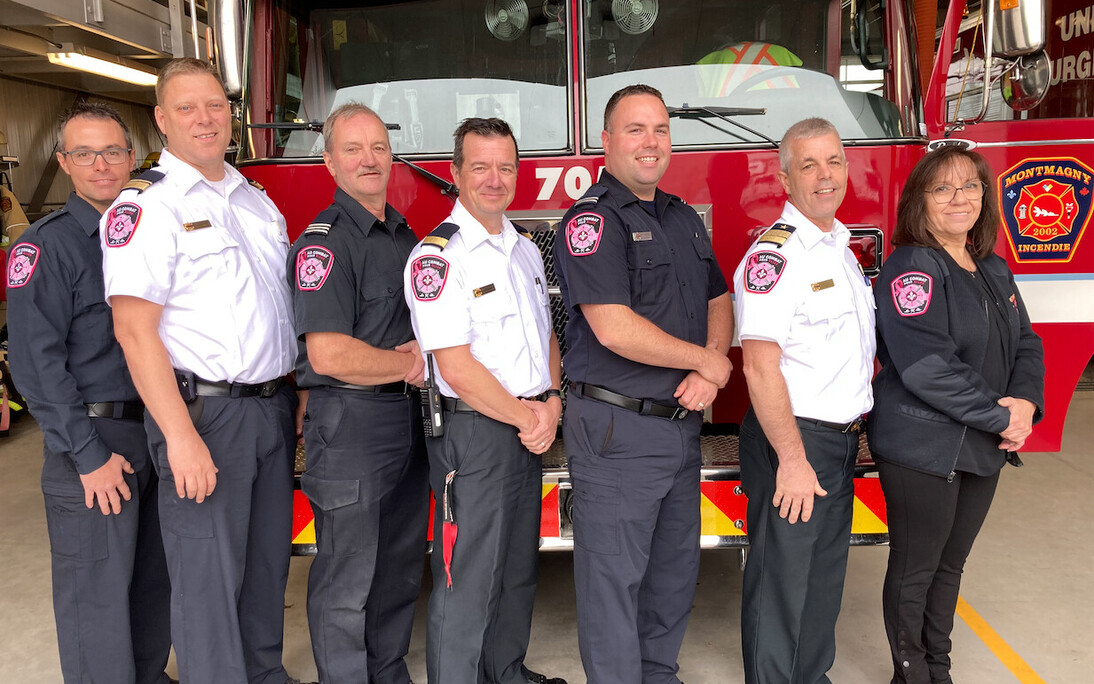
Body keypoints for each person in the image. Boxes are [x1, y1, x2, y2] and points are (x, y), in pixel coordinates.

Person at [101, 58, 304, 684]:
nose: (205, 118)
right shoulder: (147, 208)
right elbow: (134, 332)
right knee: (207, 580)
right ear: (161, 119)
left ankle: (263, 675)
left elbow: (274, 308)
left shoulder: (255, 200)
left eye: (215, 105)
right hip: (204, 416)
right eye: (186, 107)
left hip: (270, 407)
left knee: (267, 566)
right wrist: (180, 436)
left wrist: (294, 390)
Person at [553, 84, 733, 684]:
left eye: (660, 129)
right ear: (606, 141)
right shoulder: (592, 221)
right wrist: (704, 361)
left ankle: (658, 674)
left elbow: (718, 296)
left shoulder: (680, 216)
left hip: (680, 426)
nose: (650, 141)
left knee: (673, 573)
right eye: (635, 129)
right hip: (618, 429)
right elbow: (613, 327)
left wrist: (708, 366)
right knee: (612, 582)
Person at [6, 102, 172, 684]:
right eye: (85, 153)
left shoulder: (149, 233)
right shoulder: (45, 248)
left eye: (112, 151)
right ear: (63, 162)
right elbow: (35, 364)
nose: (101, 165)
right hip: (95, 440)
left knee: (153, 581)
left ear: (132, 158)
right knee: (95, 595)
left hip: (157, 430)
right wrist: (86, 453)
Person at [868, 146, 1044, 684]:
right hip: (922, 446)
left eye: (969, 185)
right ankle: (910, 674)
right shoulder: (912, 268)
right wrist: (1001, 417)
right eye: (942, 188)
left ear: (984, 196)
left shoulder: (992, 267)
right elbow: (928, 368)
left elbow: (1027, 343)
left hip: (980, 443)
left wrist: (1024, 404)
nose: (958, 198)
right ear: (919, 201)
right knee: (917, 568)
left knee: (950, 565)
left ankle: (937, 669)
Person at [403, 117, 566, 684]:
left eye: (505, 167)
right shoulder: (438, 258)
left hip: (527, 425)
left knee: (517, 568)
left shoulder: (524, 250)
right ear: (455, 173)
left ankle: (505, 671)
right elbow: (455, 367)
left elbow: (546, 335)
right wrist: (530, 418)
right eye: (480, 167)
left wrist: (552, 399)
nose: (494, 179)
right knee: (467, 577)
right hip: (475, 435)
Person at [288, 102, 429, 684]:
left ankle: (387, 672)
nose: (368, 160)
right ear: (329, 162)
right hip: (351, 425)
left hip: (407, 421)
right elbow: (328, 355)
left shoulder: (404, 235)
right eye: (353, 149)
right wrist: (411, 365)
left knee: (398, 567)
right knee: (347, 577)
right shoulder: (323, 246)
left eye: (378, 148)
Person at [732, 117, 875, 684]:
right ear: (786, 179)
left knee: (821, 580)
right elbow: (759, 366)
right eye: (808, 165)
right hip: (794, 440)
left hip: (838, 441)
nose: (825, 176)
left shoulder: (840, 248)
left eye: (833, 161)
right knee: (782, 585)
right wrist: (791, 459)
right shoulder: (775, 258)